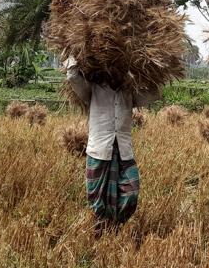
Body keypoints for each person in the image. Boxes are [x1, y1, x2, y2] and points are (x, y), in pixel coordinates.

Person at [65, 58, 159, 233]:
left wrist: (155, 73)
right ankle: (101, 229)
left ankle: (116, 225)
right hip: (99, 149)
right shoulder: (92, 88)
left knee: (132, 190)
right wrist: (75, 55)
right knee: (96, 195)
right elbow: (73, 78)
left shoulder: (128, 91)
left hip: (124, 150)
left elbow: (153, 96)